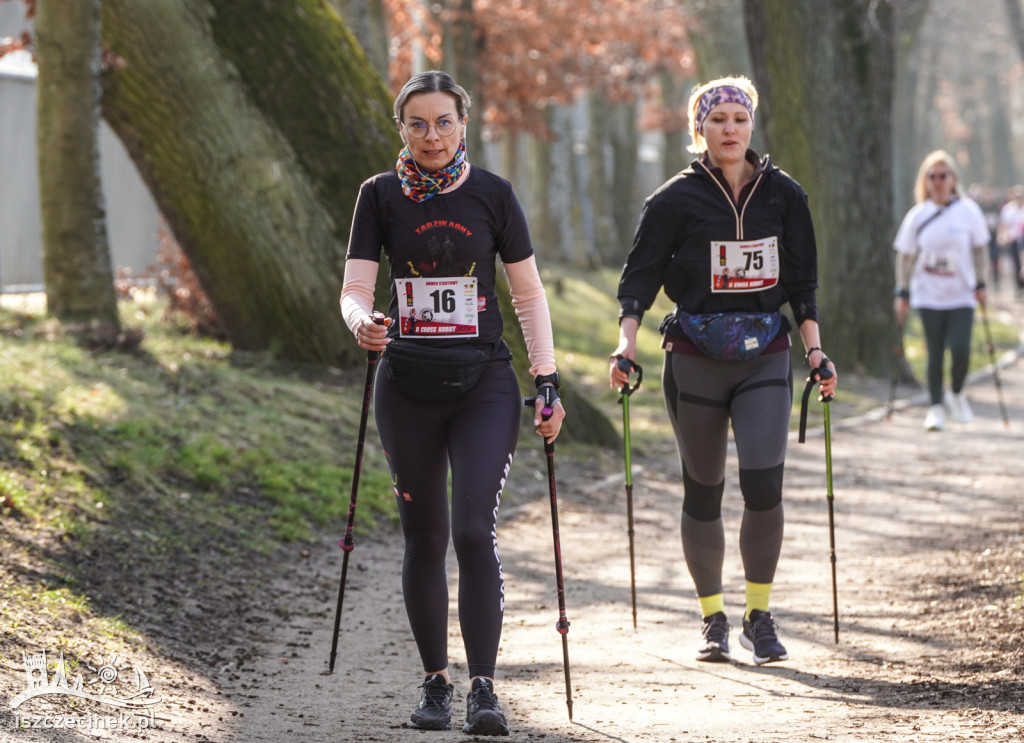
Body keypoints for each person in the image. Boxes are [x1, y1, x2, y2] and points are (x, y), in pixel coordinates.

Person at [339, 70, 565, 735]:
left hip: (484, 385)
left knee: (473, 528)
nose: (431, 136)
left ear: (464, 124)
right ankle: (437, 682)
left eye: (443, 122)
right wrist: (361, 323)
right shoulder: (378, 196)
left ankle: (485, 689)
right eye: (417, 123)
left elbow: (527, 295)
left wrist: (546, 378)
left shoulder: (493, 194)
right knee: (425, 534)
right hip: (405, 383)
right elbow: (354, 286)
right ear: (400, 128)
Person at [608, 76, 837, 667]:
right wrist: (625, 345)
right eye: (718, 120)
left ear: (751, 125)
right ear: (699, 130)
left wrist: (815, 352)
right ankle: (713, 618)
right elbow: (638, 281)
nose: (730, 129)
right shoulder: (671, 201)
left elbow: (802, 285)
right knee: (703, 492)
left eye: (739, 118)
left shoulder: (784, 195)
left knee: (764, 486)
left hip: (764, 354)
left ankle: (759, 616)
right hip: (694, 357)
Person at [893, 151, 990, 431]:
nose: (937, 181)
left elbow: (981, 249)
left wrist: (981, 283)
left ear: (953, 179)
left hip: (961, 294)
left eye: (942, 176)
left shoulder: (968, 211)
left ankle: (957, 393)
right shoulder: (918, 215)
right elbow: (905, 256)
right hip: (928, 295)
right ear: (925, 181)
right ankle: (935, 407)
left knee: (960, 350)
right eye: (931, 176)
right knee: (934, 351)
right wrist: (902, 292)